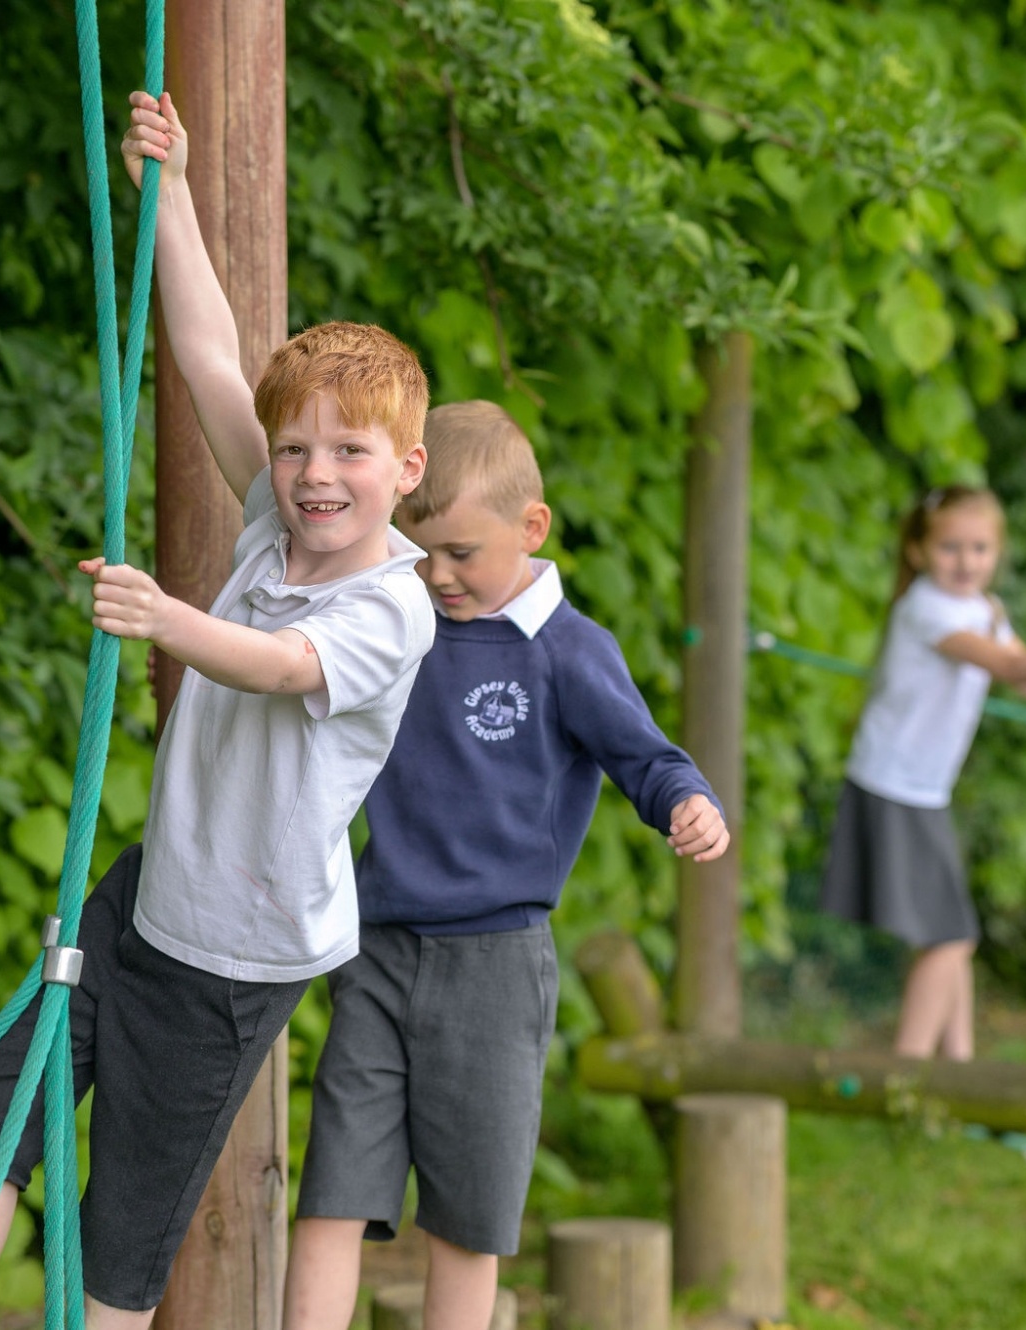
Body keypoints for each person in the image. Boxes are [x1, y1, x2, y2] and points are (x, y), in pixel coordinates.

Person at [0, 94, 436, 1330]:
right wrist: (176, 192)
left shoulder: (391, 606)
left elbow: (281, 668)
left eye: (350, 455)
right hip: (151, 897)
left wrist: (168, 620)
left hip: (235, 960)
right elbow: (210, 356)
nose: (314, 475)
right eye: (297, 450)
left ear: (403, 471)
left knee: (124, 1225)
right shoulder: (275, 523)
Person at [285, 399, 730, 1330]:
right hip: (374, 952)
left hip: (494, 965)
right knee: (332, 1195)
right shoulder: (392, 621)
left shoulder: (569, 651)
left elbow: (646, 756)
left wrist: (688, 803)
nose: (437, 575)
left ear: (531, 530)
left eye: (461, 554)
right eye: (422, 550)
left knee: (467, 1220)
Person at [820, 486, 1026, 1062]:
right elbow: (1012, 663)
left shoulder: (986, 610)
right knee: (949, 937)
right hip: (894, 782)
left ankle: (958, 1069)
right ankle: (911, 1073)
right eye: (950, 547)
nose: (967, 561)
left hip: (924, 789)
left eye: (980, 547)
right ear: (919, 551)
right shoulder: (927, 607)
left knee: (953, 934)